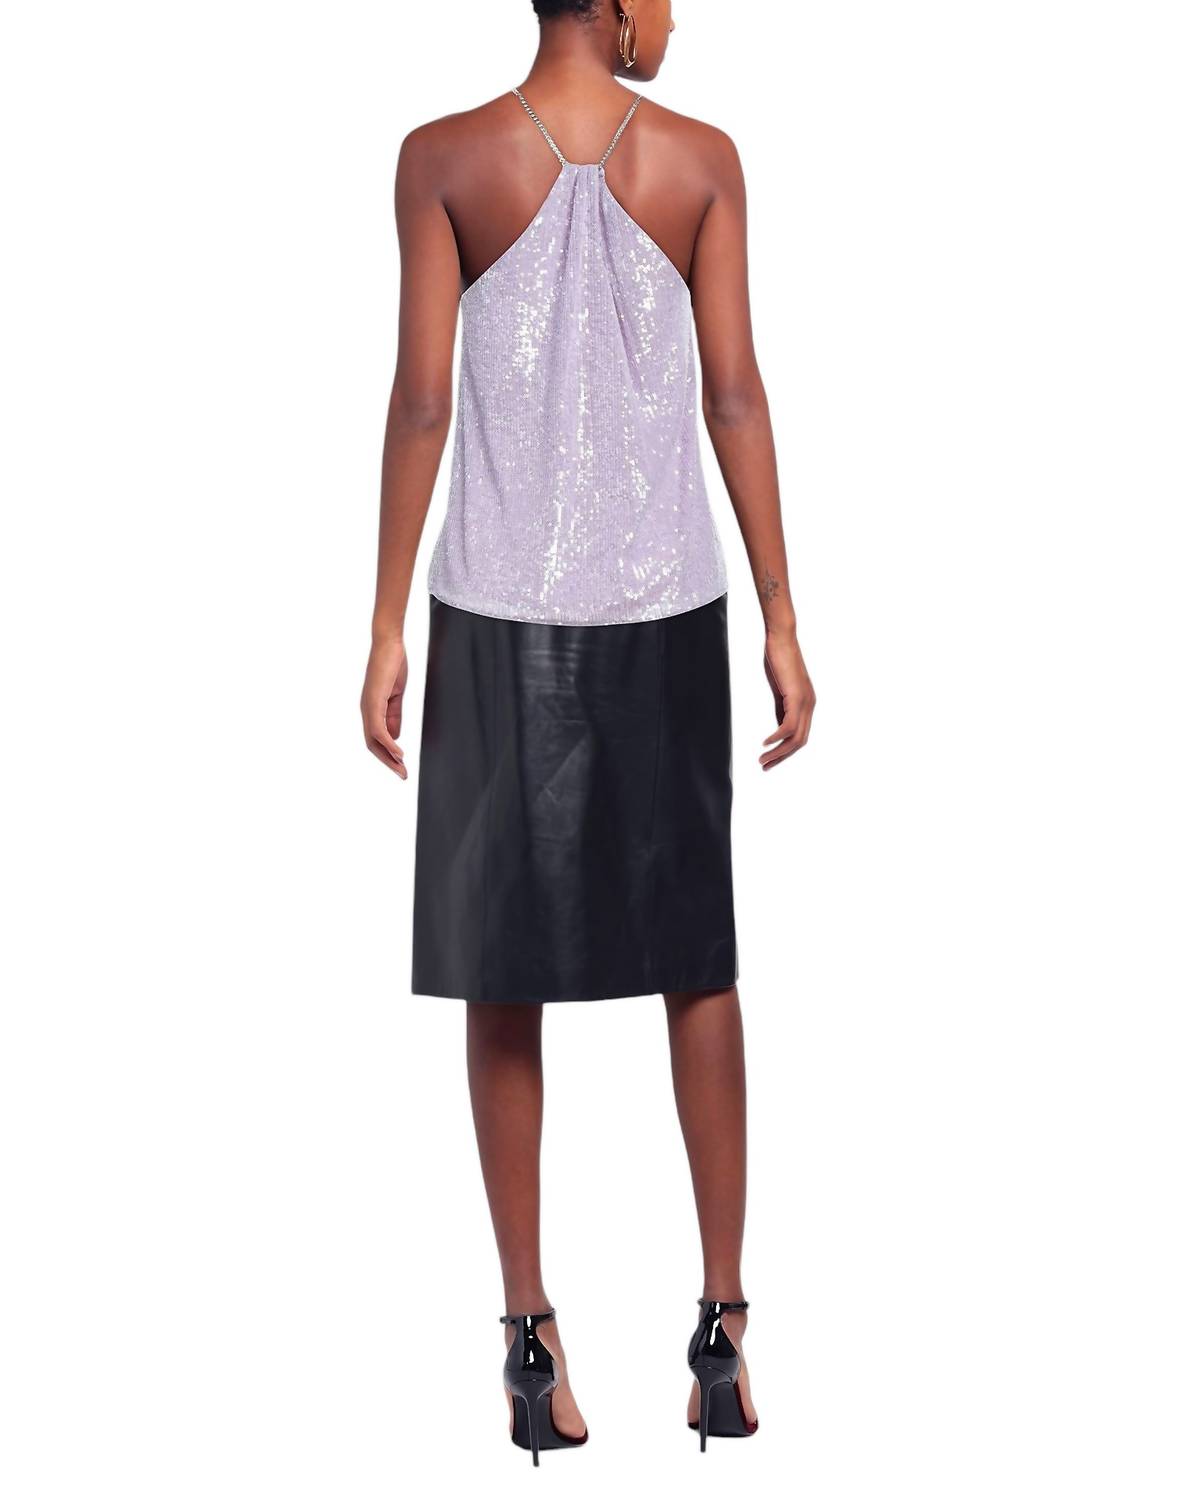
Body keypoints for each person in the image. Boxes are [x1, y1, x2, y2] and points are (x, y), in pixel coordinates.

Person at [360, 0, 815, 1464]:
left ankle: (527, 1338)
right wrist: (781, 619)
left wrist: (387, 624)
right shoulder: (700, 161)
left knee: (504, 973)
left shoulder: (441, 158)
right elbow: (735, 392)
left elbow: (420, 401)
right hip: (666, 604)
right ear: (617, 1)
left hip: (495, 616)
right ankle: (722, 1328)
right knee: (697, 961)